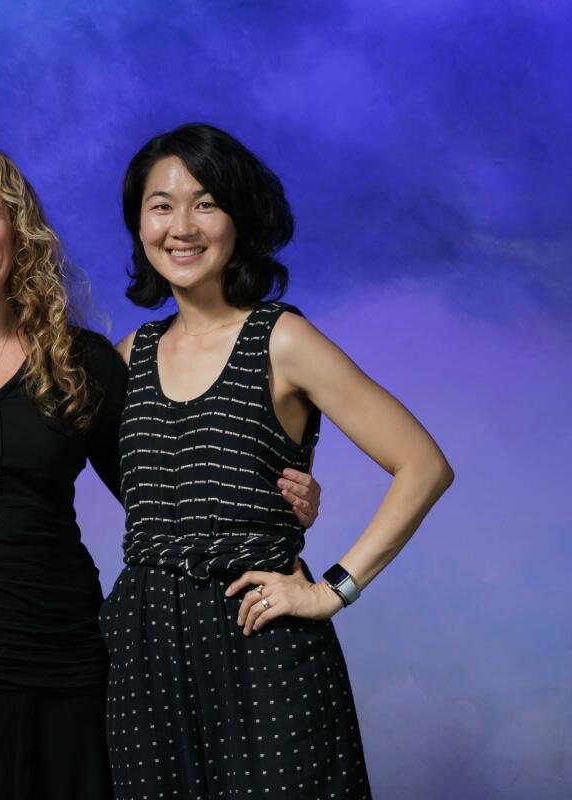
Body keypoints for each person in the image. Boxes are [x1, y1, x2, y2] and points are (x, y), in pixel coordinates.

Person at [0, 146, 321, 799]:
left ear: (18, 232)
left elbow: (161, 494)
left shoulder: (80, 361)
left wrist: (271, 506)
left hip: (61, 665)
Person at [101, 123, 454, 798]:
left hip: (262, 647)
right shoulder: (127, 357)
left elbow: (423, 465)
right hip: (144, 657)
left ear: (239, 217)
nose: (182, 225)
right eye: (161, 204)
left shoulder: (281, 339)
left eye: (205, 202)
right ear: (138, 224)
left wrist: (330, 590)